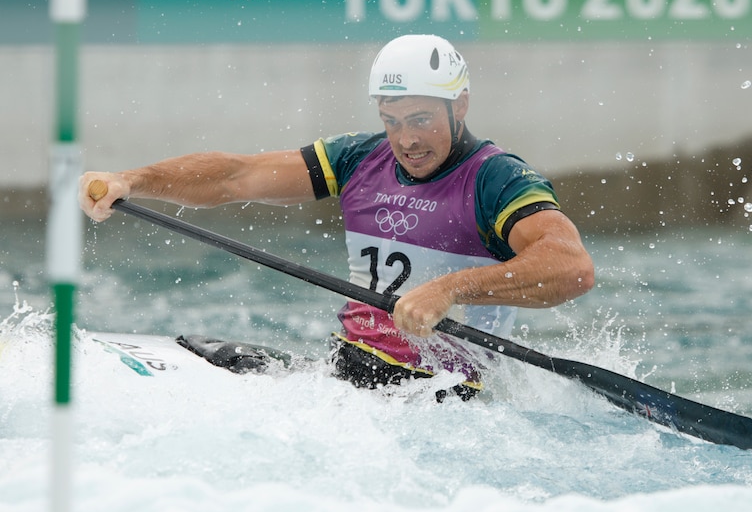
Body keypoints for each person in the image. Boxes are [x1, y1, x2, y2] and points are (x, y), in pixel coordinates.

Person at [79, 34, 595, 399]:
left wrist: (449, 289)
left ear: (459, 105)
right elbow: (236, 176)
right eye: (391, 121)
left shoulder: (496, 179)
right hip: (347, 373)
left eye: (420, 120)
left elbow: (571, 267)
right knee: (208, 349)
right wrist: (133, 180)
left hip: (444, 396)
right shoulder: (358, 158)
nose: (406, 140)